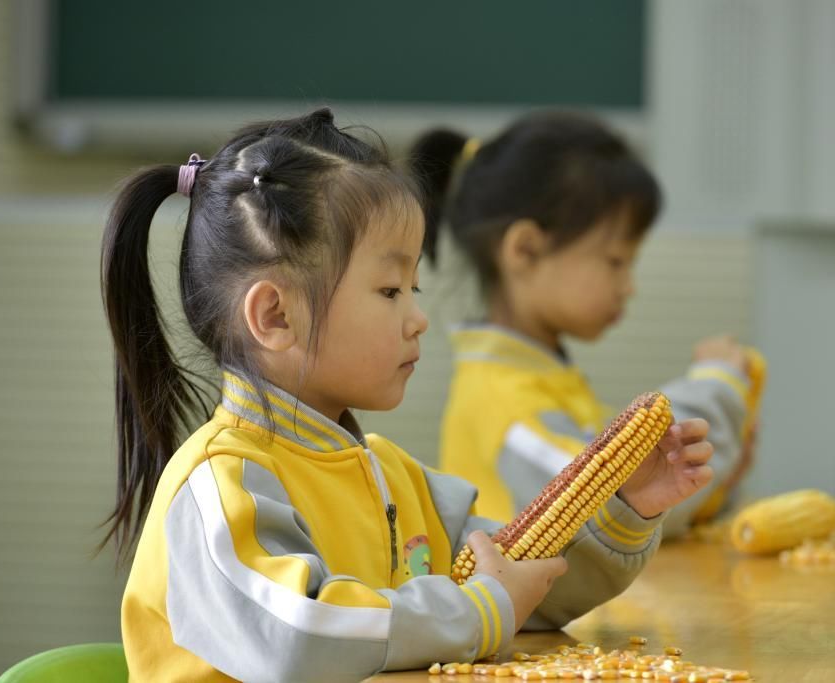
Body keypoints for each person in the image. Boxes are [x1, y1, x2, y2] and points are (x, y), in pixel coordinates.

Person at [99, 108, 714, 681]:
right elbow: (302, 631)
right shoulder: (220, 487)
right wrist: (478, 611)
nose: (418, 318)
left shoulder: (399, 479)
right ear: (276, 317)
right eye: (392, 291)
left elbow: (521, 579)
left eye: (415, 287)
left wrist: (625, 511)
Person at [411, 111, 757, 538]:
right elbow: (618, 500)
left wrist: (718, 479)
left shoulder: (544, 377)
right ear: (525, 249)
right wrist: (716, 389)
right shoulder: (503, 404)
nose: (628, 286)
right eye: (615, 261)